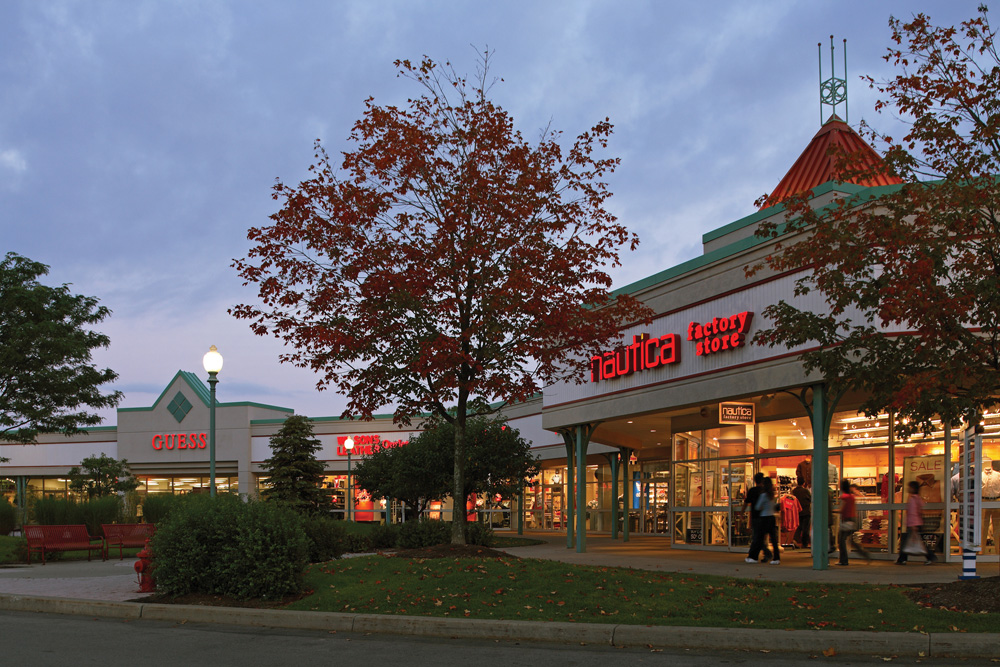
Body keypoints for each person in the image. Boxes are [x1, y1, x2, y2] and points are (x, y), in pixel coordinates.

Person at [897, 480, 936, 565]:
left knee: (905, 541)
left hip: (913, 524)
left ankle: (902, 559)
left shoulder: (913, 499)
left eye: (909, 487)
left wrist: (913, 526)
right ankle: (902, 558)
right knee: (913, 541)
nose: (908, 489)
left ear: (913, 488)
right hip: (917, 523)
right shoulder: (918, 498)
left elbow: (913, 513)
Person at [837, 478, 871, 566]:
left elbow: (842, 509)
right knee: (851, 541)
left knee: (841, 540)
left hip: (846, 520)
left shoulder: (844, 497)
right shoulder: (851, 496)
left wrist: (833, 511)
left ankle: (844, 560)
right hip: (852, 519)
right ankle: (865, 554)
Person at [747, 476, 780, 564]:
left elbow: (758, 507)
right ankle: (776, 558)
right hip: (771, 518)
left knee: (759, 538)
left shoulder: (763, 495)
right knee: (773, 540)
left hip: (764, 518)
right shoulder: (771, 495)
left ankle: (753, 557)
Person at [743, 472, 772, 563]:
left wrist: (741, 512)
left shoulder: (752, 491)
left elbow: (746, 502)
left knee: (757, 537)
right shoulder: (765, 491)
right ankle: (761, 554)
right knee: (759, 537)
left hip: (755, 517)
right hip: (764, 516)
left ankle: (757, 554)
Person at [791, 476, 811, 549]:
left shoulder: (794, 491)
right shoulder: (806, 491)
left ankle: (795, 539)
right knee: (805, 528)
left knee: (799, 527)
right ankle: (804, 543)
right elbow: (810, 499)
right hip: (806, 511)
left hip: (797, 512)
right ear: (803, 483)